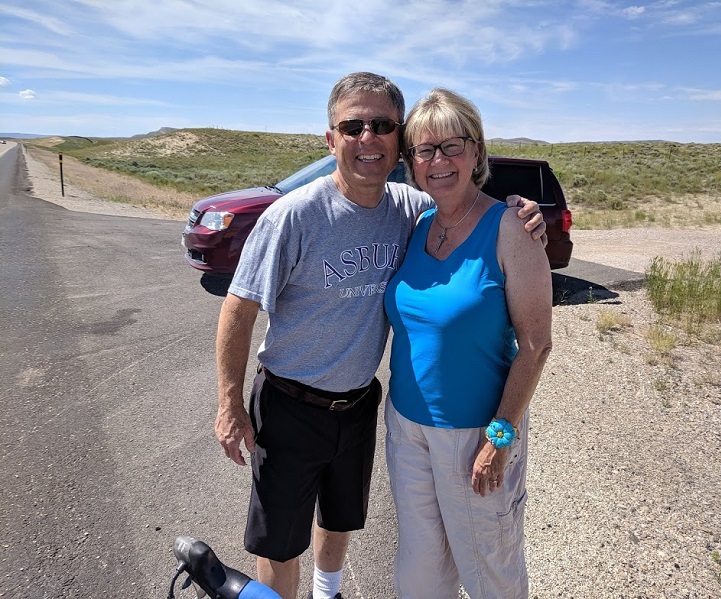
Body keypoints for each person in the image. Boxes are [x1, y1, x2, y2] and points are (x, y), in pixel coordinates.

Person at [214, 72, 544, 599]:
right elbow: (238, 308)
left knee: (346, 517)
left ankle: (329, 593)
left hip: (365, 406)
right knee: (281, 541)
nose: (368, 137)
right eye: (353, 125)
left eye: (383, 125)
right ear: (331, 138)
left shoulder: (412, 211)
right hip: (295, 404)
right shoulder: (296, 215)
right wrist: (230, 404)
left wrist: (523, 213)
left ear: (397, 144)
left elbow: (533, 338)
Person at [383, 88, 553, 598]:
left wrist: (499, 438)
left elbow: (537, 345)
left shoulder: (512, 228)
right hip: (407, 429)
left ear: (477, 151)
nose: (438, 161)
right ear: (411, 162)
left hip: (475, 435)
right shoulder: (418, 224)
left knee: (490, 574)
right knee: (420, 572)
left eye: (452, 146)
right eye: (423, 150)